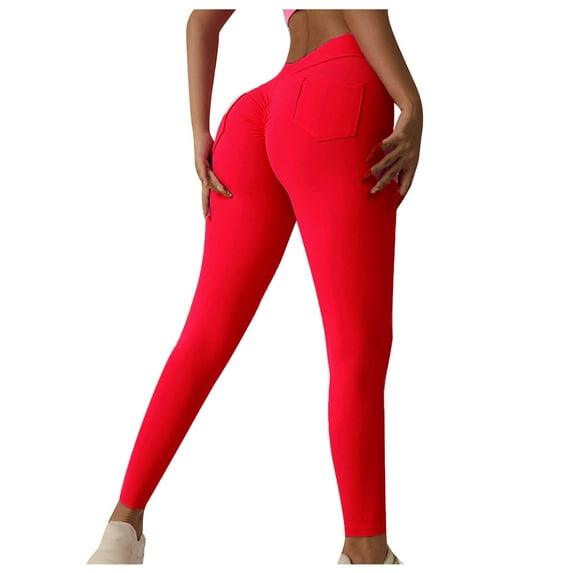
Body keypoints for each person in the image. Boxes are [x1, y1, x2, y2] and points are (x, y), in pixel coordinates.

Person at [87, 8, 422, 565]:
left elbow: (201, 21)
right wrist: (410, 102)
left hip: (257, 115)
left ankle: (121, 529)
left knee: (205, 336)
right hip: (340, 94)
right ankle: (366, 552)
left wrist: (201, 133)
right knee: (356, 347)